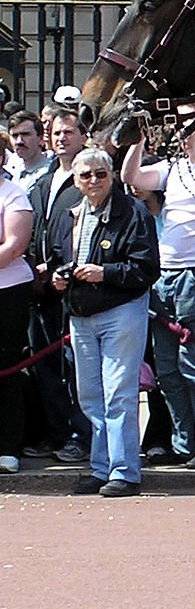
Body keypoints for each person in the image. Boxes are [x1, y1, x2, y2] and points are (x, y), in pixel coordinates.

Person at [121, 106, 195, 469]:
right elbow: (133, 177)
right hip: (166, 277)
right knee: (168, 369)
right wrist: (139, 139)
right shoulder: (172, 167)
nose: (184, 126)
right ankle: (183, 441)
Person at [48, 149, 159, 497]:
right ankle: (101, 467)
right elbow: (54, 256)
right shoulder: (69, 214)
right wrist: (58, 279)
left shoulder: (134, 213)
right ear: (76, 180)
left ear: (111, 176)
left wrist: (103, 273)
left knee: (119, 394)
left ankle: (124, 472)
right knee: (91, 396)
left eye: (100, 174)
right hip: (81, 315)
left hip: (121, 311)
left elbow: (147, 269)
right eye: (86, 175)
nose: (93, 181)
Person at [24, 109, 89, 463]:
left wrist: (58, 265)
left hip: (73, 287)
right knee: (45, 366)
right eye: (56, 132)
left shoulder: (88, 177)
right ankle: (57, 434)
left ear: (82, 136)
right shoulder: (43, 182)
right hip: (41, 290)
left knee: (75, 366)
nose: (61, 137)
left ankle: (82, 435)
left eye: (68, 131)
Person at [0, 171, 33, 474]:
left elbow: (13, 247)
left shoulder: (13, 194)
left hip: (8, 293)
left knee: (7, 367)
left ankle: (8, 447)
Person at [6, 110, 53, 192]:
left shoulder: (50, 173)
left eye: (26, 134)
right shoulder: (11, 172)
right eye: (15, 135)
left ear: (41, 139)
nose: (19, 141)